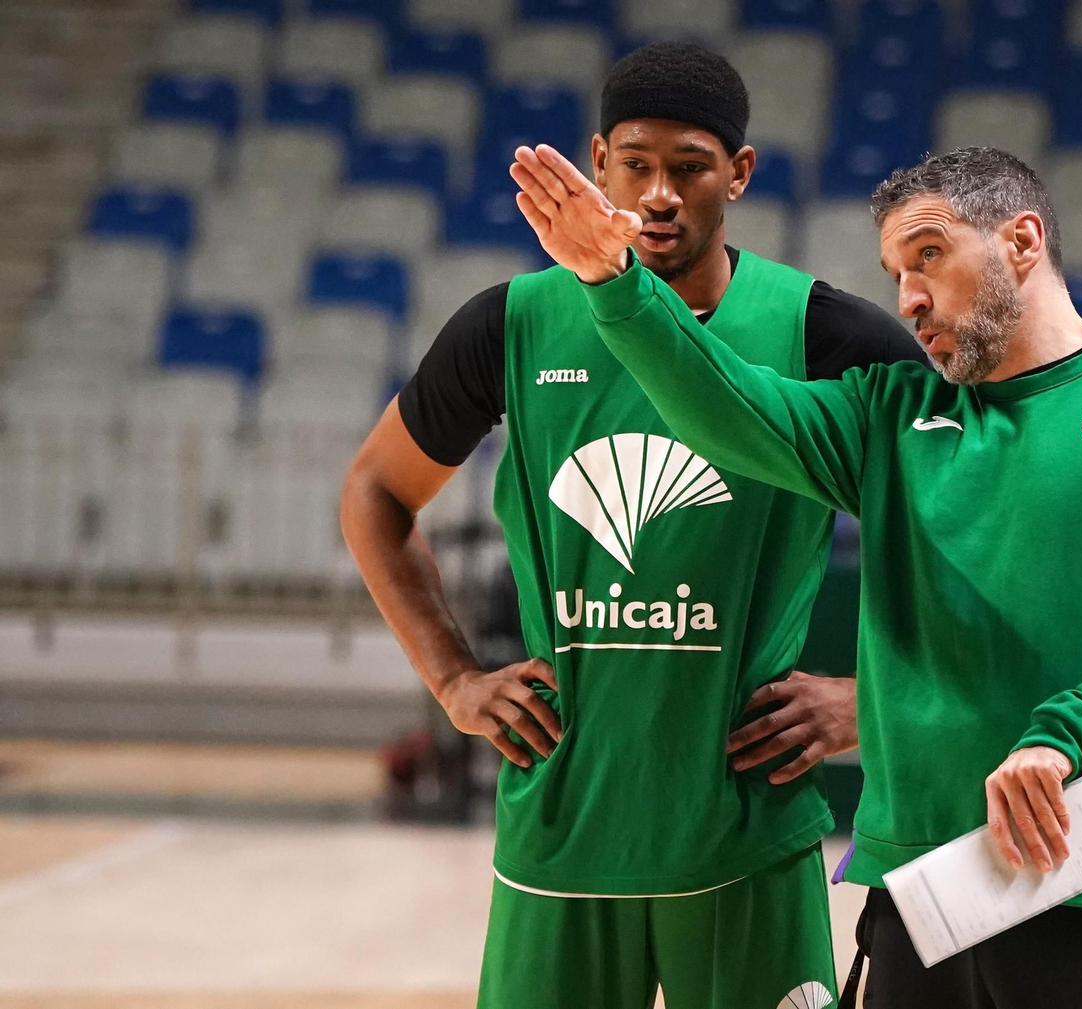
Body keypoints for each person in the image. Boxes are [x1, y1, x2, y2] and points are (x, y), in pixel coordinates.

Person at [510, 142, 1082, 1009]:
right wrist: (616, 284)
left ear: (1022, 242)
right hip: (923, 897)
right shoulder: (893, 413)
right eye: (894, 273)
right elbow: (727, 402)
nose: (908, 297)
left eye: (929, 256)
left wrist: (1070, 730)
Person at [340, 42, 925, 1009]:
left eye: (689, 167)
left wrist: (871, 699)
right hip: (562, 831)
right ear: (598, 159)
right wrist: (452, 677)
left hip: (746, 835)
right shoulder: (510, 324)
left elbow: (959, 527)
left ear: (736, 175)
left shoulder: (825, 334)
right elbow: (374, 490)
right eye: (636, 164)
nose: (658, 194)